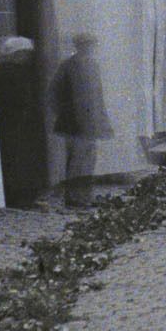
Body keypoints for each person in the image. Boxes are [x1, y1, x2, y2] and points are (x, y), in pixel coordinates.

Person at [50, 31, 111, 208]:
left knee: (89, 160)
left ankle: (85, 196)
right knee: (76, 161)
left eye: (91, 45)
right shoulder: (67, 66)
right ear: (79, 47)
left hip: (91, 122)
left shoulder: (93, 66)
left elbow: (98, 96)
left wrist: (102, 120)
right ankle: (74, 198)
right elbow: (54, 93)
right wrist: (63, 114)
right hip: (74, 123)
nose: (89, 48)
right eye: (86, 45)